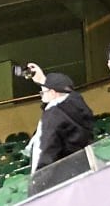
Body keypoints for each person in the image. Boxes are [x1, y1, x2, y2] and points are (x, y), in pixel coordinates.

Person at [24, 64, 95, 196]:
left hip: (61, 187)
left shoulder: (52, 117)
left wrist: (35, 188)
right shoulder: (78, 107)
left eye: (43, 92)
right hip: (84, 175)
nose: (41, 96)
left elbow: (44, 151)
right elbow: (60, 100)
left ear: (52, 93)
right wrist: (43, 80)